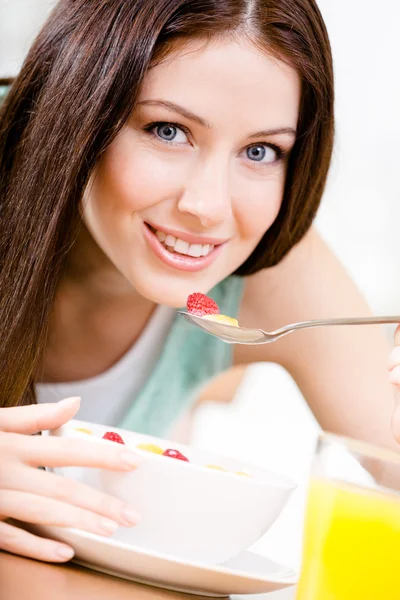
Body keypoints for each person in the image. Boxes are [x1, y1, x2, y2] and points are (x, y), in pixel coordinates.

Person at [0, 0, 396, 562]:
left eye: (261, 151)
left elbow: (392, 453)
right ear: (77, 100)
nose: (208, 207)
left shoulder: (274, 271)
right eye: (168, 130)